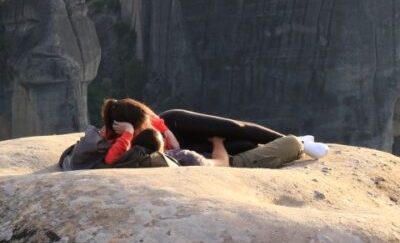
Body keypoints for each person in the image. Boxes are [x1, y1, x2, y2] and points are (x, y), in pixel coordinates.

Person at [103, 98, 329, 160]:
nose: (147, 124)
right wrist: (129, 133)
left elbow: (155, 118)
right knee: (245, 146)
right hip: (183, 150)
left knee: (234, 128)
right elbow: (112, 159)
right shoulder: (118, 139)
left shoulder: (145, 118)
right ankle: (291, 144)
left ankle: (299, 142)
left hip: (176, 125)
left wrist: (168, 133)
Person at [123, 128, 311, 169]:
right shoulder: (183, 156)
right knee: (292, 143)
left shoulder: (131, 160)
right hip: (236, 165)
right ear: (162, 145)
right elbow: (222, 164)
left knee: (247, 144)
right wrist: (217, 142)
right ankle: (304, 143)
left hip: (215, 156)